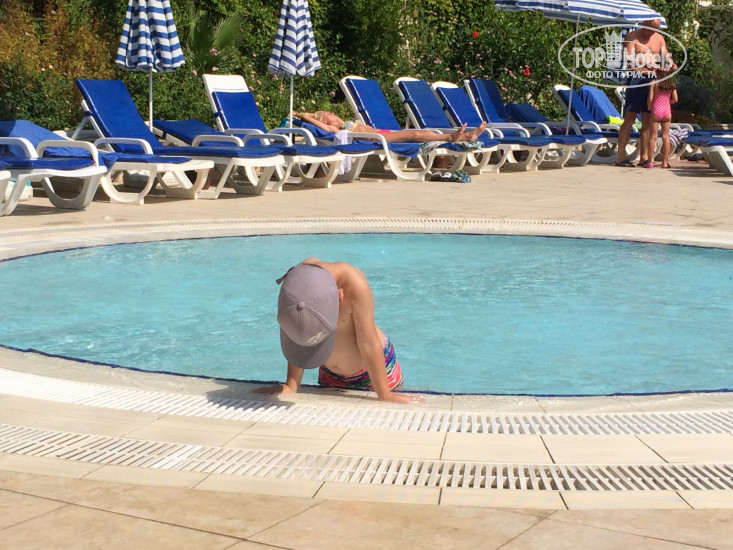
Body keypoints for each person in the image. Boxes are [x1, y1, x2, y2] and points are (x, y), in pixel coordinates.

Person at [256, 259, 424, 404]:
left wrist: (385, 394)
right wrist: (291, 385)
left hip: (373, 374)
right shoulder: (298, 282)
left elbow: (368, 343)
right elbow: (299, 333)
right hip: (329, 374)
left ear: (339, 297)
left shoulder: (355, 286)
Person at [616, 19, 676, 167]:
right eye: (650, 29)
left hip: (654, 81)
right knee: (630, 117)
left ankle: (644, 157)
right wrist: (647, 65)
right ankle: (620, 157)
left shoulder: (658, 38)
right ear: (644, 24)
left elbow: (666, 56)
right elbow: (629, 63)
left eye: (655, 29)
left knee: (648, 120)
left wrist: (671, 64)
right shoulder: (632, 37)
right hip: (637, 80)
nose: (651, 33)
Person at [295, 110, 487, 143]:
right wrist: (303, 116)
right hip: (377, 139)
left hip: (382, 133)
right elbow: (324, 128)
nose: (331, 112)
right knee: (416, 136)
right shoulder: (339, 130)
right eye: (327, 114)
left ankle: (467, 137)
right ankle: (450, 137)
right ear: (325, 121)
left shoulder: (346, 123)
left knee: (423, 132)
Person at [645, 70, 678, 169]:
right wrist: (668, 102)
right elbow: (675, 99)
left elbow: (650, 98)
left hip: (656, 109)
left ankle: (650, 162)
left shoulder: (654, 82)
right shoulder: (671, 83)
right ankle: (665, 162)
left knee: (653, 136)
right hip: (667, 111)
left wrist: (649, 107)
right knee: (666, 136)